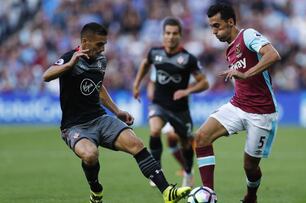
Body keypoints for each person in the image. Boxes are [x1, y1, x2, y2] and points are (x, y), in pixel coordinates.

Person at [42, 22, 191, 203]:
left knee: (136, 144)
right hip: (74, 125)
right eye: (99, 44)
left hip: (100, 118)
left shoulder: (101, 61)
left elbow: (98, 88)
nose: (103, 49)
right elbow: (47, 75)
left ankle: (167, 192)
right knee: (90, 155)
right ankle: (96, 189)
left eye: (104, 44)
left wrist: (117, 111)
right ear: (85, 41)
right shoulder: (69, 58)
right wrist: (69, 64)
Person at [194, 3, 281, 203]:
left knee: (250, 167)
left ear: (231, 22)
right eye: (211, 27)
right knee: (201, 137)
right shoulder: (229, 50)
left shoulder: (248, 35)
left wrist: (245, 74)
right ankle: (209, 194)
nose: (214, 31)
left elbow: (273, 55)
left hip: (262, 113)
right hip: (238, 105)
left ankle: (251, 196)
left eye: (217, 26)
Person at [132, 17, 209, 187]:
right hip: (159, 103)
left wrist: (187, 91)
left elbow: (204, 83)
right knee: (154, 130)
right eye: (168, 33)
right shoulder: (155, 53)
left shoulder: (188, 58)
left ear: (180, 35)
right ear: (163, 35)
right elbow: (145, 64)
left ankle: (188, 172)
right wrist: (137, 84)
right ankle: (156, 169)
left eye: (175, 33)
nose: (171, 36)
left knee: (186, 143)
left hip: (180, 109)